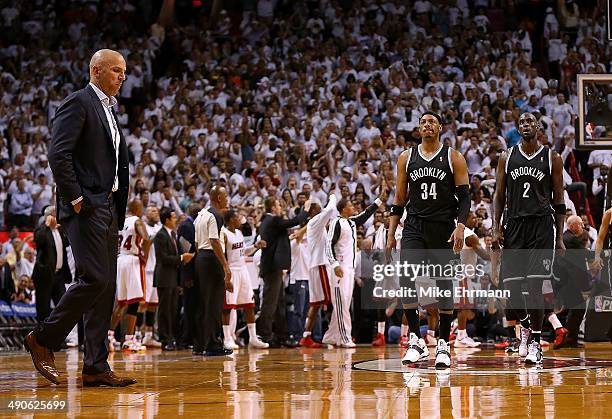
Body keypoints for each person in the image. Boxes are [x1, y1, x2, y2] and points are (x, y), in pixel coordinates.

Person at [24, 49, 134, 387]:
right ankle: (43, 338)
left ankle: (96, 366)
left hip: (109, 207)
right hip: (86, 206)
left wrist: (113, 205)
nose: (122, 77)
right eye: (116, 70)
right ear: (96, 70)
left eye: (124, 72)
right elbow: (59, 153)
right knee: (95, 280)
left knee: (105, 289)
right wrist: (76, 198)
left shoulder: (109, 110)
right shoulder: (79, 102)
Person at [387, 111, 470, 369]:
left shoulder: (453, 157)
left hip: (444, 227)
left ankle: (443, 343)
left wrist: (461, 226)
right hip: (414, 227)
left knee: (444, 283)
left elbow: (465, 196)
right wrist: (391, 231)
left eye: (432, 122)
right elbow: (400, 197)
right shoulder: (406, 157)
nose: (427, 125)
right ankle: (415, 340)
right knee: (406, 279)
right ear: (419, 128)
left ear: (440, 127)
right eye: (423, 122)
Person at [492, 112, 566, 365]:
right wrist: (495, 227)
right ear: (517, 128)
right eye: (521, 122)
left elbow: (559, 199)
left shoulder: (551, 158)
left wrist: (560, 238)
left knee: (535, 287)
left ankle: (535, 341)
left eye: (529, 122)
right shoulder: (507, 157)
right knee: (511, 290)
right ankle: (524, 327)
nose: (525, 125)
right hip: (514, 226)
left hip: (541, 227)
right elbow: (499, 195)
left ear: (538, 127)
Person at [324, 192, 385, 348]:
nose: (354, 207)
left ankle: (331, 336)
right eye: (350, 205)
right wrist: (335, 264)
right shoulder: (335, 223)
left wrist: (379, 201)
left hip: (350, 269)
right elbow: (328, 244)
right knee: (342, 303)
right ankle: (345, 337)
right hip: (340, 268)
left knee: (343, 303)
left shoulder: (351, 222)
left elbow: (366, 214)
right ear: (343, 209)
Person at [257, 196, 310, 347]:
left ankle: (281, 335)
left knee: (279, 303)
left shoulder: (269, 221)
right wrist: (305, 209)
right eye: (278, 205)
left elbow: (277, 237)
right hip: (272, 268)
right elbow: (294, 221)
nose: (280, 207)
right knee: (270, 303)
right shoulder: (273, 220)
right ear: (273, 208)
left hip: (274, 267)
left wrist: (289, 236)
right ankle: (265, 335)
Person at [220, 210, 269, 349]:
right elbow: (222, 256)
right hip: (232, 271)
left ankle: (253, 338)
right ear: (230, 220)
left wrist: (254, 246)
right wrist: (226, 275)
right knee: (228, 307)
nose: (240, 220)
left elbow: (243, 253)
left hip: (243, 270)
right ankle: (227, 338)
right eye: (237, 217)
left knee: (249, 304)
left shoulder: (239, 233)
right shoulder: (223, 234)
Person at [194, 185, 232, 356]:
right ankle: (213, 345)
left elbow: (196, 244)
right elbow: (214, 241)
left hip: (201, 258)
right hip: (211, 258)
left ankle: (201, 343)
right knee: (214, 304)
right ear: (218, 198)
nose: (227, 199)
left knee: (204, 303)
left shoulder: (201, 215)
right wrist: (225, 265)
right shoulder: (216, 215)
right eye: (225, 196)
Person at [108, 199, 151, 352]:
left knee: (121, 302)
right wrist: (144, 255)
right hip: (132, 260)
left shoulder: (121, 221)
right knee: (134, 302)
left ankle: (110, 335)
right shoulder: (137, 221)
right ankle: (129, 340)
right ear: (137, 208)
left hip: (120, 260)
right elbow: (147, 238)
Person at [299, 189, 337, 348]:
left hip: (316, 266)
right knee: (331, 301)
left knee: (316, 304)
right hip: (320, 265)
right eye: (318, 207)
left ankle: (306, 336)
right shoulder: (315, 221)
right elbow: (330, 209)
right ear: (314, 210)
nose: (321, 208)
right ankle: (333, 335)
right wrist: (333, 195)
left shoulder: (314, 224)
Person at [154, 207, 193, 351]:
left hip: (173, 277)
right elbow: (163, 258)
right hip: (164, 277)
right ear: (167, 220)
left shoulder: (173, 234)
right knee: (165, 310)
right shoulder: (160, 235)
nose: (176, 219)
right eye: (174, 217)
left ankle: (172, 338)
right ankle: (165, 339)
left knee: (173, 310)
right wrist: (182, 258)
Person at [32, 206, 71, 324]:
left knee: (62, 306)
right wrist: (46, 225)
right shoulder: (41, 230)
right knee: (43, 309)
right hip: (44, 275)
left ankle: (56, 336)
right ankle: (41, 338)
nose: (57, 217)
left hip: (58, 275)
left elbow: (67, 243)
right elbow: (39, 240)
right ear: (49, 217)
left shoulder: (59, 231)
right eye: (55, 214)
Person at [177, 203, 200, 349]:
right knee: (189, 307)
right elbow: (185, 253)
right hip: (188, 274)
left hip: (194, 272)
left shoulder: (192, 225)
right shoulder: (186, 226)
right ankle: (186, 339)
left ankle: (191, 337)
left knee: (193, 307)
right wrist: (187, 277)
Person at [140, 205, 162, 348]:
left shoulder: (159, 227)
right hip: (146, 269)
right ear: (145, 215)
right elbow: (145, 243)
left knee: (153, 304)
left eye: (156, 211)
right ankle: (136, 335)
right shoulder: (143, 227)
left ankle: (148, 336)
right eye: (152, 211)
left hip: (157, 269)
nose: (156, 213)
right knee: (143, 303)